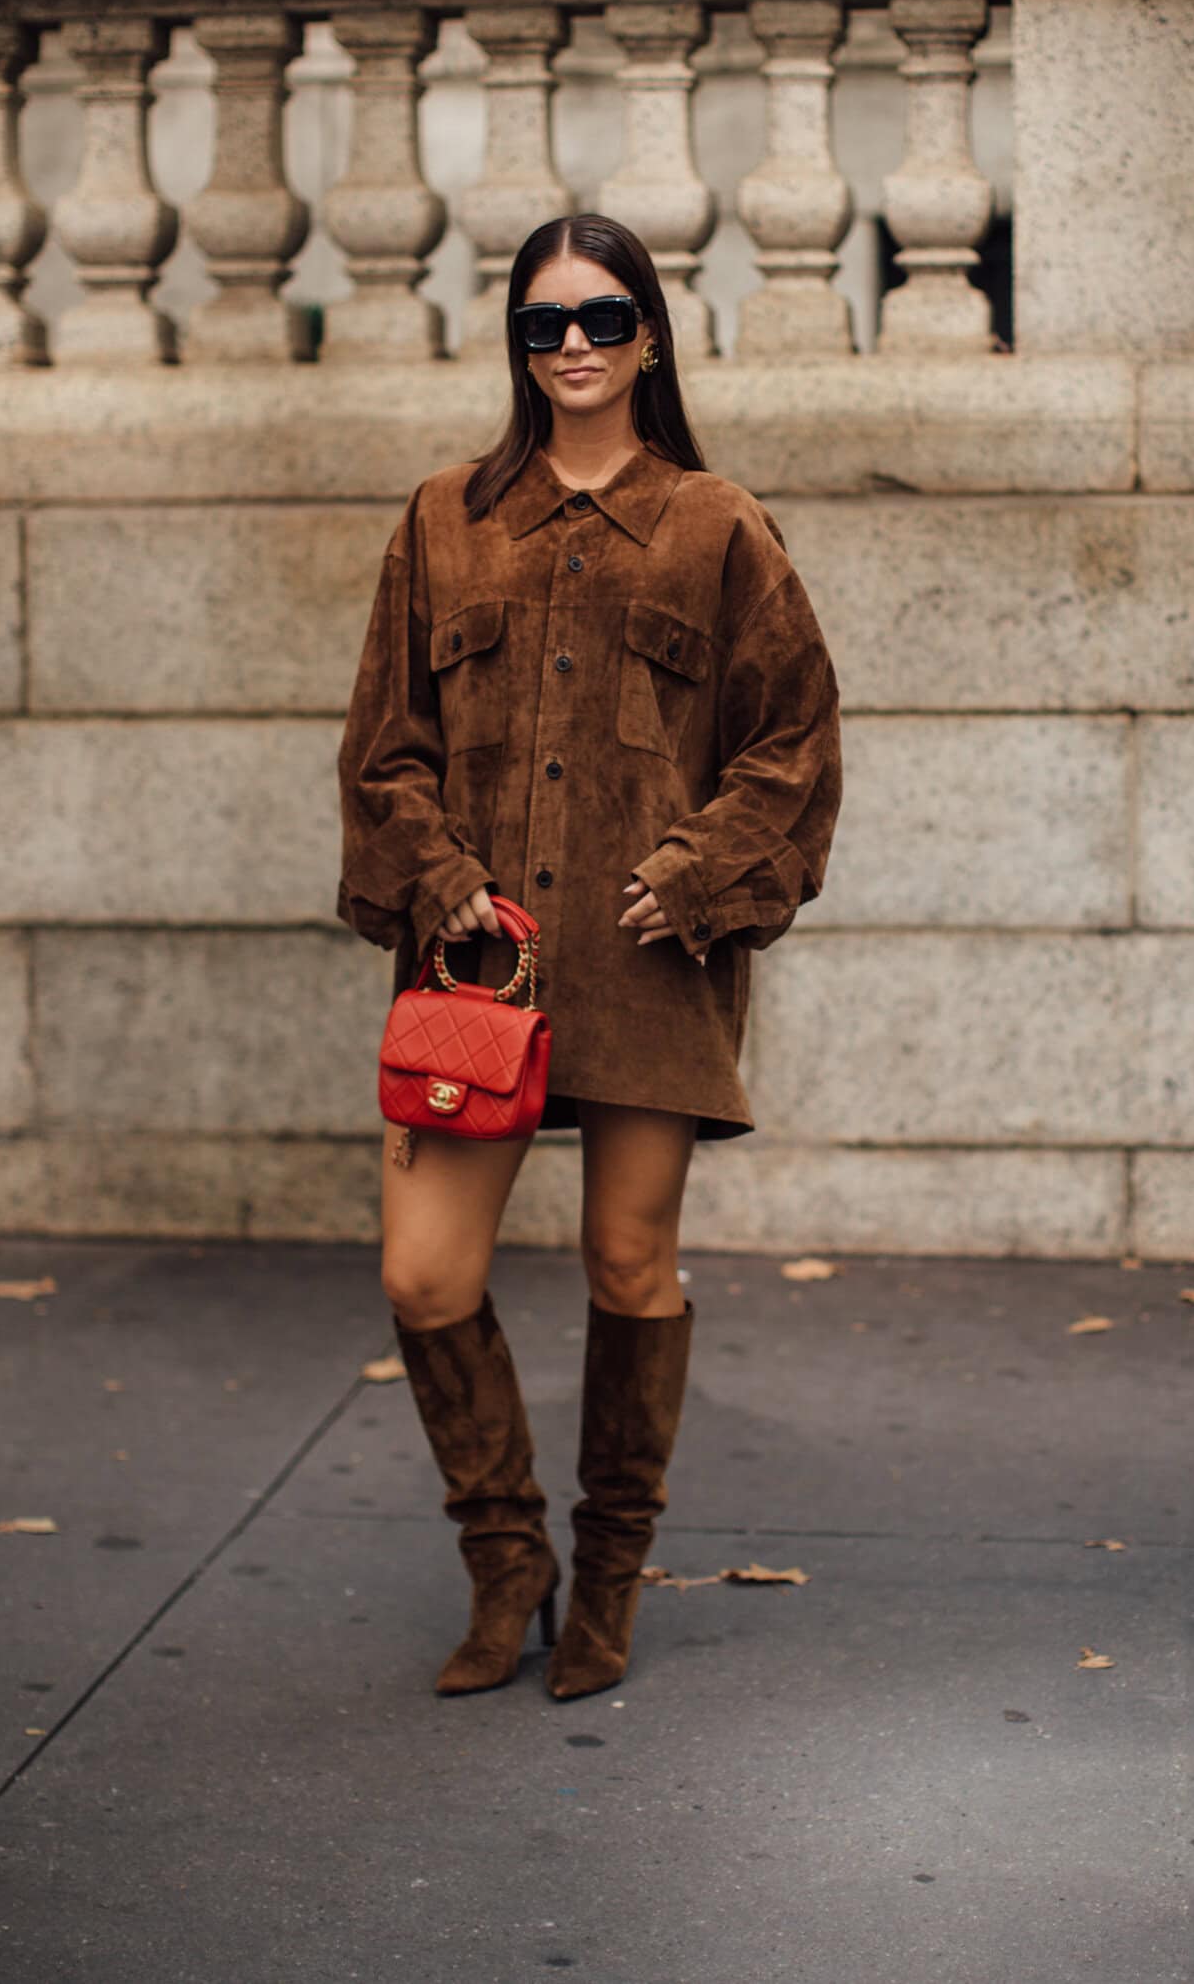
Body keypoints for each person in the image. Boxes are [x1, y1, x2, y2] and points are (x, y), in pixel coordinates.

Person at [335, 211, 843, 1701]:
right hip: (474, 966)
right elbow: (383, 746)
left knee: (629, 1262)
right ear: (517, 344)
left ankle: (609, 1574)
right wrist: (438, 876)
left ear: (649, 338)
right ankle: (509, 1561)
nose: (572, 345)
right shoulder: (442, 520)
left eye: (602, 318)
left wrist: (697, 876)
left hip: (643, 961)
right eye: (542, 323)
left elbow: (792, 743)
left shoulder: (718, 526)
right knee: (423, 1275)